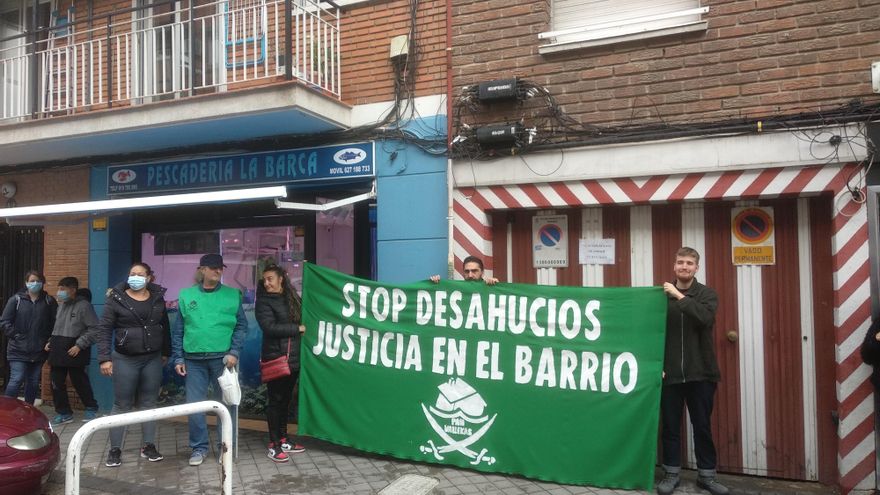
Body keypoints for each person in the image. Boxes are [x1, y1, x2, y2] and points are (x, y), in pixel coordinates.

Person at [657, 247, 728, 495]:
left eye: (689, 263)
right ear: (674, 266)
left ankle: (707, 476)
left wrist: (677, 295)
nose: (684, 267)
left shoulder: (707, 294)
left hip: (702, 374)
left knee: (702, 426)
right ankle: (671, 474)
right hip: (670, 375)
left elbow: (705, 318)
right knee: (670, 427)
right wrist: (657, 365)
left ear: (696, 268)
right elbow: (650, 331)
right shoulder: (660, 297)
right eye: (680, 262)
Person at [171, 253, 247, 466]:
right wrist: (178, 358)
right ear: (202, 270)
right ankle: (199, 448)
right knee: (194, 406)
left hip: (223, 359)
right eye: (213, 267)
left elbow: (241, 326)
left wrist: (234, 352)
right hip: (193, 359)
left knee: (227, 403)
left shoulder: (232, 295)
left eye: (220, 267)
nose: (218, 271)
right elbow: (178, 330)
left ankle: (226, 447)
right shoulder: (186, 295)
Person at [98, 262, 171, 467]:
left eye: (140, 274)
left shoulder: (157, 298)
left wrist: (166, 351)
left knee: (149, 403)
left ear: (148, 278)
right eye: (132, 274)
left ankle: (148, 446)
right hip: (125, 359)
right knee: (122, 404)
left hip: (152, 358)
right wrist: (104, 359)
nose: (135, 277)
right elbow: (104, 329)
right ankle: (115, 449)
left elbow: (164, 325)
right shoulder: (116, 298)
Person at [255, 265, 307, 462]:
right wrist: (297, 329)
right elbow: (269, 327)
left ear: (281, 279)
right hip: (276, 358)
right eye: (265, 279)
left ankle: (284, 440)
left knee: (285, 400)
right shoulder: (263, 302)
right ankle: (274, 444)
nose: (267, 283)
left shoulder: (291, 297)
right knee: (275, 401)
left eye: (270, 279)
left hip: (292, 359)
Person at [46, 277, 100, 425]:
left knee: (79, 380)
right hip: (58, 348)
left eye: (63, 289)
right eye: (59, 288)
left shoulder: (84, 306)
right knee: (56, 382)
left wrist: (79, 345)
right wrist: (51, 341)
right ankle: (64, 413)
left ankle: (91, 407)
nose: (59, 292)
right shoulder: (61, 305)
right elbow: (58, 327)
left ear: (73, 289)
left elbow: (95, 329)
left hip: (75, 348)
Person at [0, 270, 57, 404]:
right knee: (17, 378)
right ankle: (7, 408)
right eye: (32, 281)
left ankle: (28, 409)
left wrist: (50, 340)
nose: (35, 283)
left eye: (38, 281)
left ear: (42, 283)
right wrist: (16, 335)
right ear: (26, 283)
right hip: (17, 349)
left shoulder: (49, 301)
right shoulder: (16, 300)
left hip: (39, 350)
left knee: (33, 381)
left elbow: (56, 323)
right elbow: (4, 322)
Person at [430, 255, 499, 285]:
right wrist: (435, 285)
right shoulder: (456, 289)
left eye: (474, 271)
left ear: (482, 272)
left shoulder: (490, 287)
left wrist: (497, 286)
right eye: (467, 271)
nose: (470, 275)